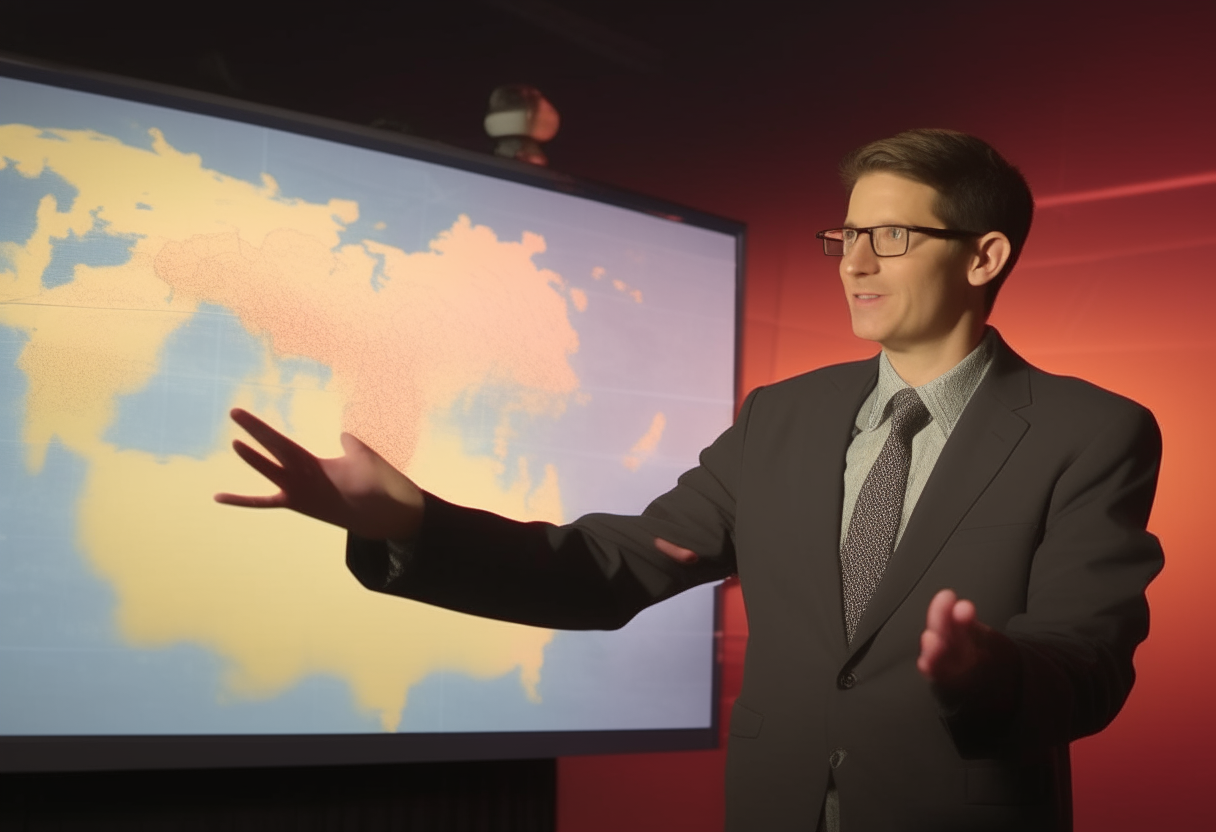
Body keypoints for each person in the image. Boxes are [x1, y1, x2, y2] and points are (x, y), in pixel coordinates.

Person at [217, 129, 1163, 831]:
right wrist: (412, 520)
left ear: (986, 255)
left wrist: (987, 674)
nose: (857, 264)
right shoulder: (781, 416)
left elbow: (1088, 663)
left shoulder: (1093, 432)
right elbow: (609, 567)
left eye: (895, 238)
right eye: (845, 238)